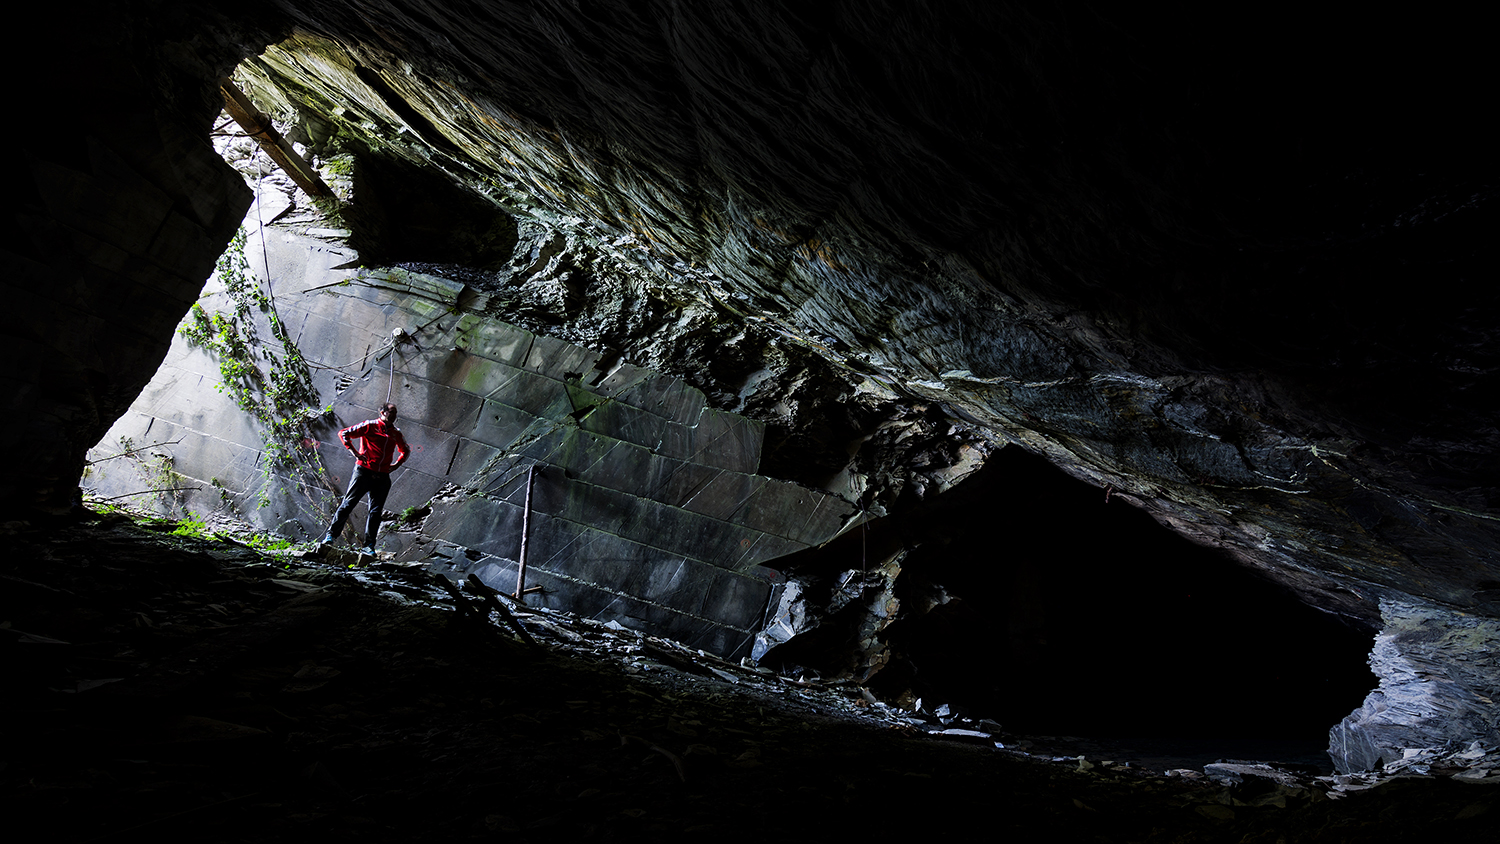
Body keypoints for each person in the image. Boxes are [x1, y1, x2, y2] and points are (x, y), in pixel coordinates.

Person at [321, 402, 409, 553]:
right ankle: (330, 537)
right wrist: (355, 453)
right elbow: (344, 434)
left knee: (375, 512)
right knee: (348, 504)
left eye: (396, 413)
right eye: (392, 412)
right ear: (382, 412)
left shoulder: (396, 433)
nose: (394, 416)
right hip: (364, 472)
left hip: (382, 476)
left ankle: (369, 546)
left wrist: (396, 465)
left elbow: (405, 450)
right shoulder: (370, 425)